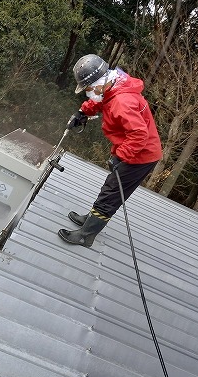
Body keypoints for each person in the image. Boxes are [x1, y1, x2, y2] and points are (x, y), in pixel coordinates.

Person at [58, 54, 162, 248]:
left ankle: (86, 235)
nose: (88, 92)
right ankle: (91, 219)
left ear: (99, 81)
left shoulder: (122, 102)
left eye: (88, 88)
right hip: (135, 149)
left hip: (141, 155)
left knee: (112, 192)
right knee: (110, 186)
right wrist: (82, 112)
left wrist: (121, 156)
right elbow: (102, 100)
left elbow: (139, 134)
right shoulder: (114, 85)